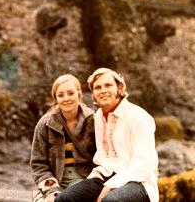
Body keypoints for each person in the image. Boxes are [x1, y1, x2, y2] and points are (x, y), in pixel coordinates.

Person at [55, 67, 159, 202]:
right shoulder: (98, 117)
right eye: (98, 87)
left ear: (119, 89)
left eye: (108, 85)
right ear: (93, 94)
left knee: (110, 201)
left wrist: (110, 186)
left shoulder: (139, 117)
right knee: (65, 198)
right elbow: (103, 159)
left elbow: (143, 165)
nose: (103, 90)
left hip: (138, 181)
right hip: (105, 176)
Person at [30, 74, 96, 202]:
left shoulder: (93, 120)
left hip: (84, 180)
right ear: (56, 98)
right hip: (55, 180)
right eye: (60, 95)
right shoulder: (45, 124)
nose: (66, 99)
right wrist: (51, 189)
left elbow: (102, 157)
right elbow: (38, 163)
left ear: (79, 94)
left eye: (71, 93)